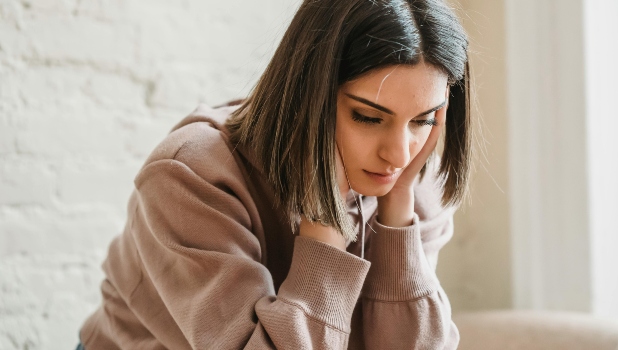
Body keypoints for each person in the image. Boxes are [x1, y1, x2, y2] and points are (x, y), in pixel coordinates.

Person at [77, 0, 472, 348]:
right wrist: (324, 228)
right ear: (307, 91)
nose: (399, 154)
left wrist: (399, 217)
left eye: (422, 120)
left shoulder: (415, 182)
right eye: (368, 117)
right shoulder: (190, 177)